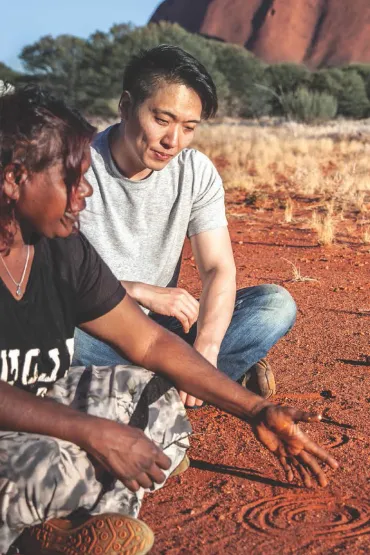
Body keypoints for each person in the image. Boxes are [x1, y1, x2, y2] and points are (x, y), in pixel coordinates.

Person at [0, 85, 338, 555]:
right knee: (55, 457)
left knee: (158, 408)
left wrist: (253, 409)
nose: (85, 193)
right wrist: (93, 431)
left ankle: (72, 526)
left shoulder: (58, 245)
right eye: (72, 179)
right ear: (15, 178)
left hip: (45, 402)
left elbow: (150, 345)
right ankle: (58, 520)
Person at [73, 45, 297, 407]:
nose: (172, 141)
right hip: (96, 327)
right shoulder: (75, 165)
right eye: (162, 120)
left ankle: (156, 384)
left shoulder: (195, 171)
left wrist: (207, 346)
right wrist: (137, 290)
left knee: (274, 305)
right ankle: (194, 382)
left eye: (188, 127)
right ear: (126, 106)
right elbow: (45, 280)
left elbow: (217, 267)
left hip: (164, 332)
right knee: (56, 334)